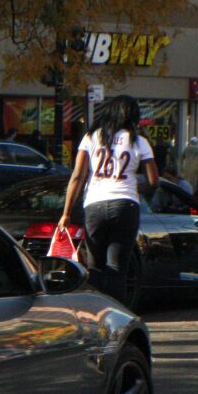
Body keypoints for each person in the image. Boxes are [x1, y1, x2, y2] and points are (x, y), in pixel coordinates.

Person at [56, 95, 158, 305]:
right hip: (126, 205)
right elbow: (154, 180)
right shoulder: (139, 141)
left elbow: (77, 176)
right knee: (117, 269)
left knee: (95, 268)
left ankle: (95, 316)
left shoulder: (91, 137)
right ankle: (116, 320)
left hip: (95, 204)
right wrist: (134, 190)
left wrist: (66, 213)